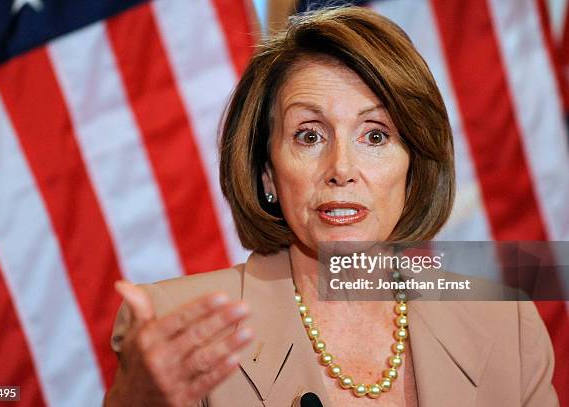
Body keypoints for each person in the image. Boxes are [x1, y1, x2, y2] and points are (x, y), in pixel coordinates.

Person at [104, 6, 558, 407]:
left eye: (375, 136)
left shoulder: (507, 325)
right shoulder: (179, 327)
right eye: (310, 135)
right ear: (267, 173)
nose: (341, 168)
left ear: (413, 165)